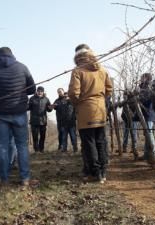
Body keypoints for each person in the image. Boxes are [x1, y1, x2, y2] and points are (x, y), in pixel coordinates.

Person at [0, 47, 36, 186]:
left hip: (0, 114)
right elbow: (32, 89)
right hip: (20, 112)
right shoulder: (22, 68)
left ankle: (4, 179)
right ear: (12, 54)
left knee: (2, 146)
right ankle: (25, 178)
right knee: (22, 146)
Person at [68, 44, 113, 183]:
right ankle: (103, 171)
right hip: (100, 109)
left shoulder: (77, 71)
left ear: (77, 56)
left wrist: (77, 104)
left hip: (85, 110)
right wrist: (100, 99)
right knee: (101, 141)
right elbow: (109, 89)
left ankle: (95, 172)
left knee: (89, 143)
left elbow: (73, 93)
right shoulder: (102, 70)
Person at [28, 86, 52, 153]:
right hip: (34, 121)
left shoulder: (46, 99)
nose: (39, 92)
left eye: (41, 91)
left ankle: (41, 149)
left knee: (42, 136)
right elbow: (28, 108)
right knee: (35, 137)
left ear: (43, 92)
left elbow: (49, 109)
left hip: (43, 121)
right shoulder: (32, 99)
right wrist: (25, 104)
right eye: (38, 91)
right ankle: (36, 150)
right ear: (36, 91)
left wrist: (51, 108)